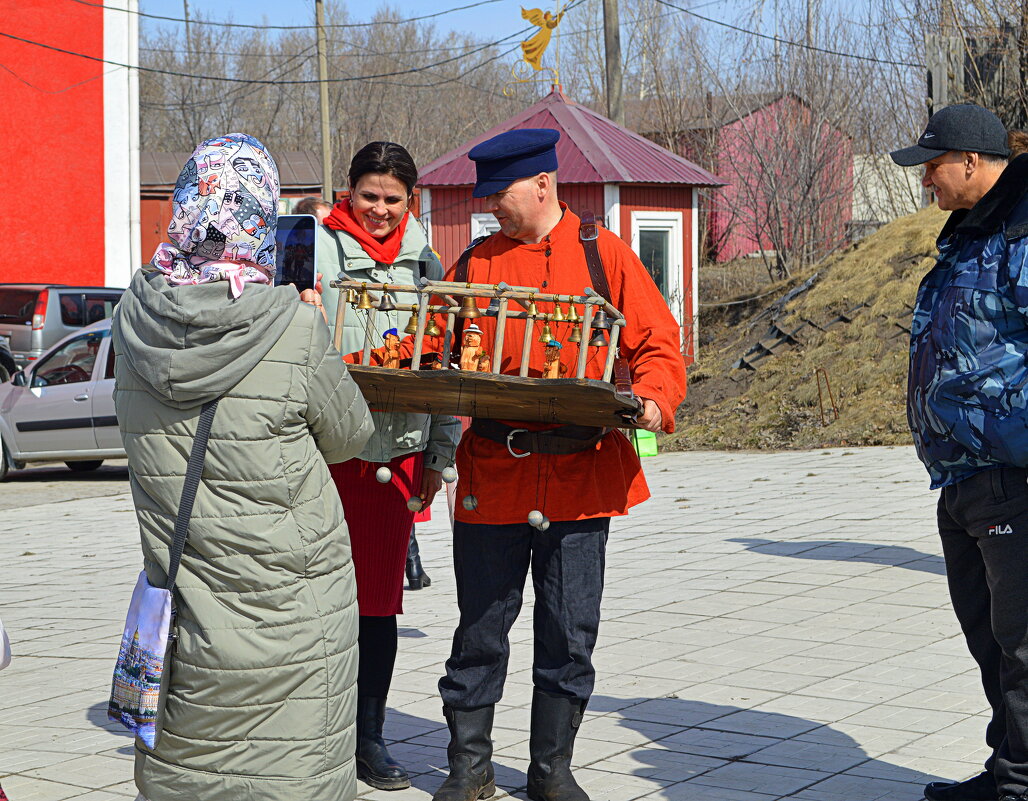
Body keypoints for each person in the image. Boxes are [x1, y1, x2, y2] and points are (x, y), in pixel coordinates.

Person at [112, 132, 373, 801]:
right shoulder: (289, 326)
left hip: (191, 621)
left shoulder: (130, 325)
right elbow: (350, 435)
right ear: (261, 222)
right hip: (295, 617)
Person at [432, 129, 686, 801]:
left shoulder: (604, 257)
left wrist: (656, 400)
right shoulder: (475, 263)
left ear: (543, 184)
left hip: (580, 477)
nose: (490, 207)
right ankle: (469, 768)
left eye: (501, 194)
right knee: (479, 628)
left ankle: (551, 769)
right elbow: (433, 343)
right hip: (494, 471)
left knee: (570, 632)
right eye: (484, 195)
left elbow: (658, 340)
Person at [892, 104, 1028, 801]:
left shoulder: (1025, 228)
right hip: (963, 476)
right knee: (990, 641)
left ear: (973, 161)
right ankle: (1007, 768)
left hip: (1015, 474)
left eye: (933, 166)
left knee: (1025, 648)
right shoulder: (970, 234)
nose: (926, 182)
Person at [317, 141, 460, 791]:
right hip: (322, 453)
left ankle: (368, 738)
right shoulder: (315, 248)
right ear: (349, 190)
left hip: (395, 457)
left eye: (391, 199)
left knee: (377, 606)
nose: (377, 209)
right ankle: (317, 733)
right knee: (316, 603)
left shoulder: (426, 263)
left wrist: (440, 453)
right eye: (367, 195)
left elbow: (450, 363)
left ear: (412, 200)